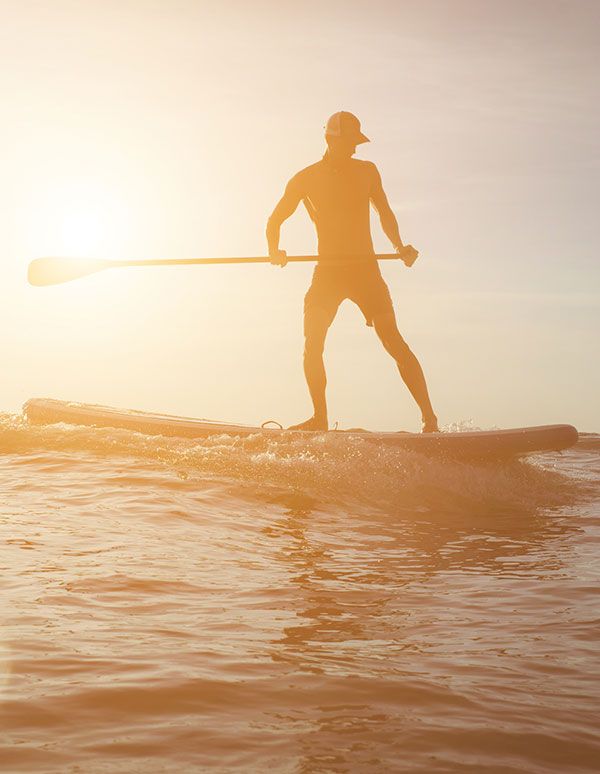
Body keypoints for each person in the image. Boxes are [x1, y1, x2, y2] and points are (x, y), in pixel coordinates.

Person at [266, 111, 439, 433]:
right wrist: (274, 250)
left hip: (366, 273)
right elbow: (275, 219)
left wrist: (400, 245)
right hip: (328, 274)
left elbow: (384, 211)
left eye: (357, 142)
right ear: (331, 139)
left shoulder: (368, 172)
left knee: (393, 341)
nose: (356, 148)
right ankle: (319, 419)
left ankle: (430, 421)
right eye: (350, 142)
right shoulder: (305, 178)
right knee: (312, 341)